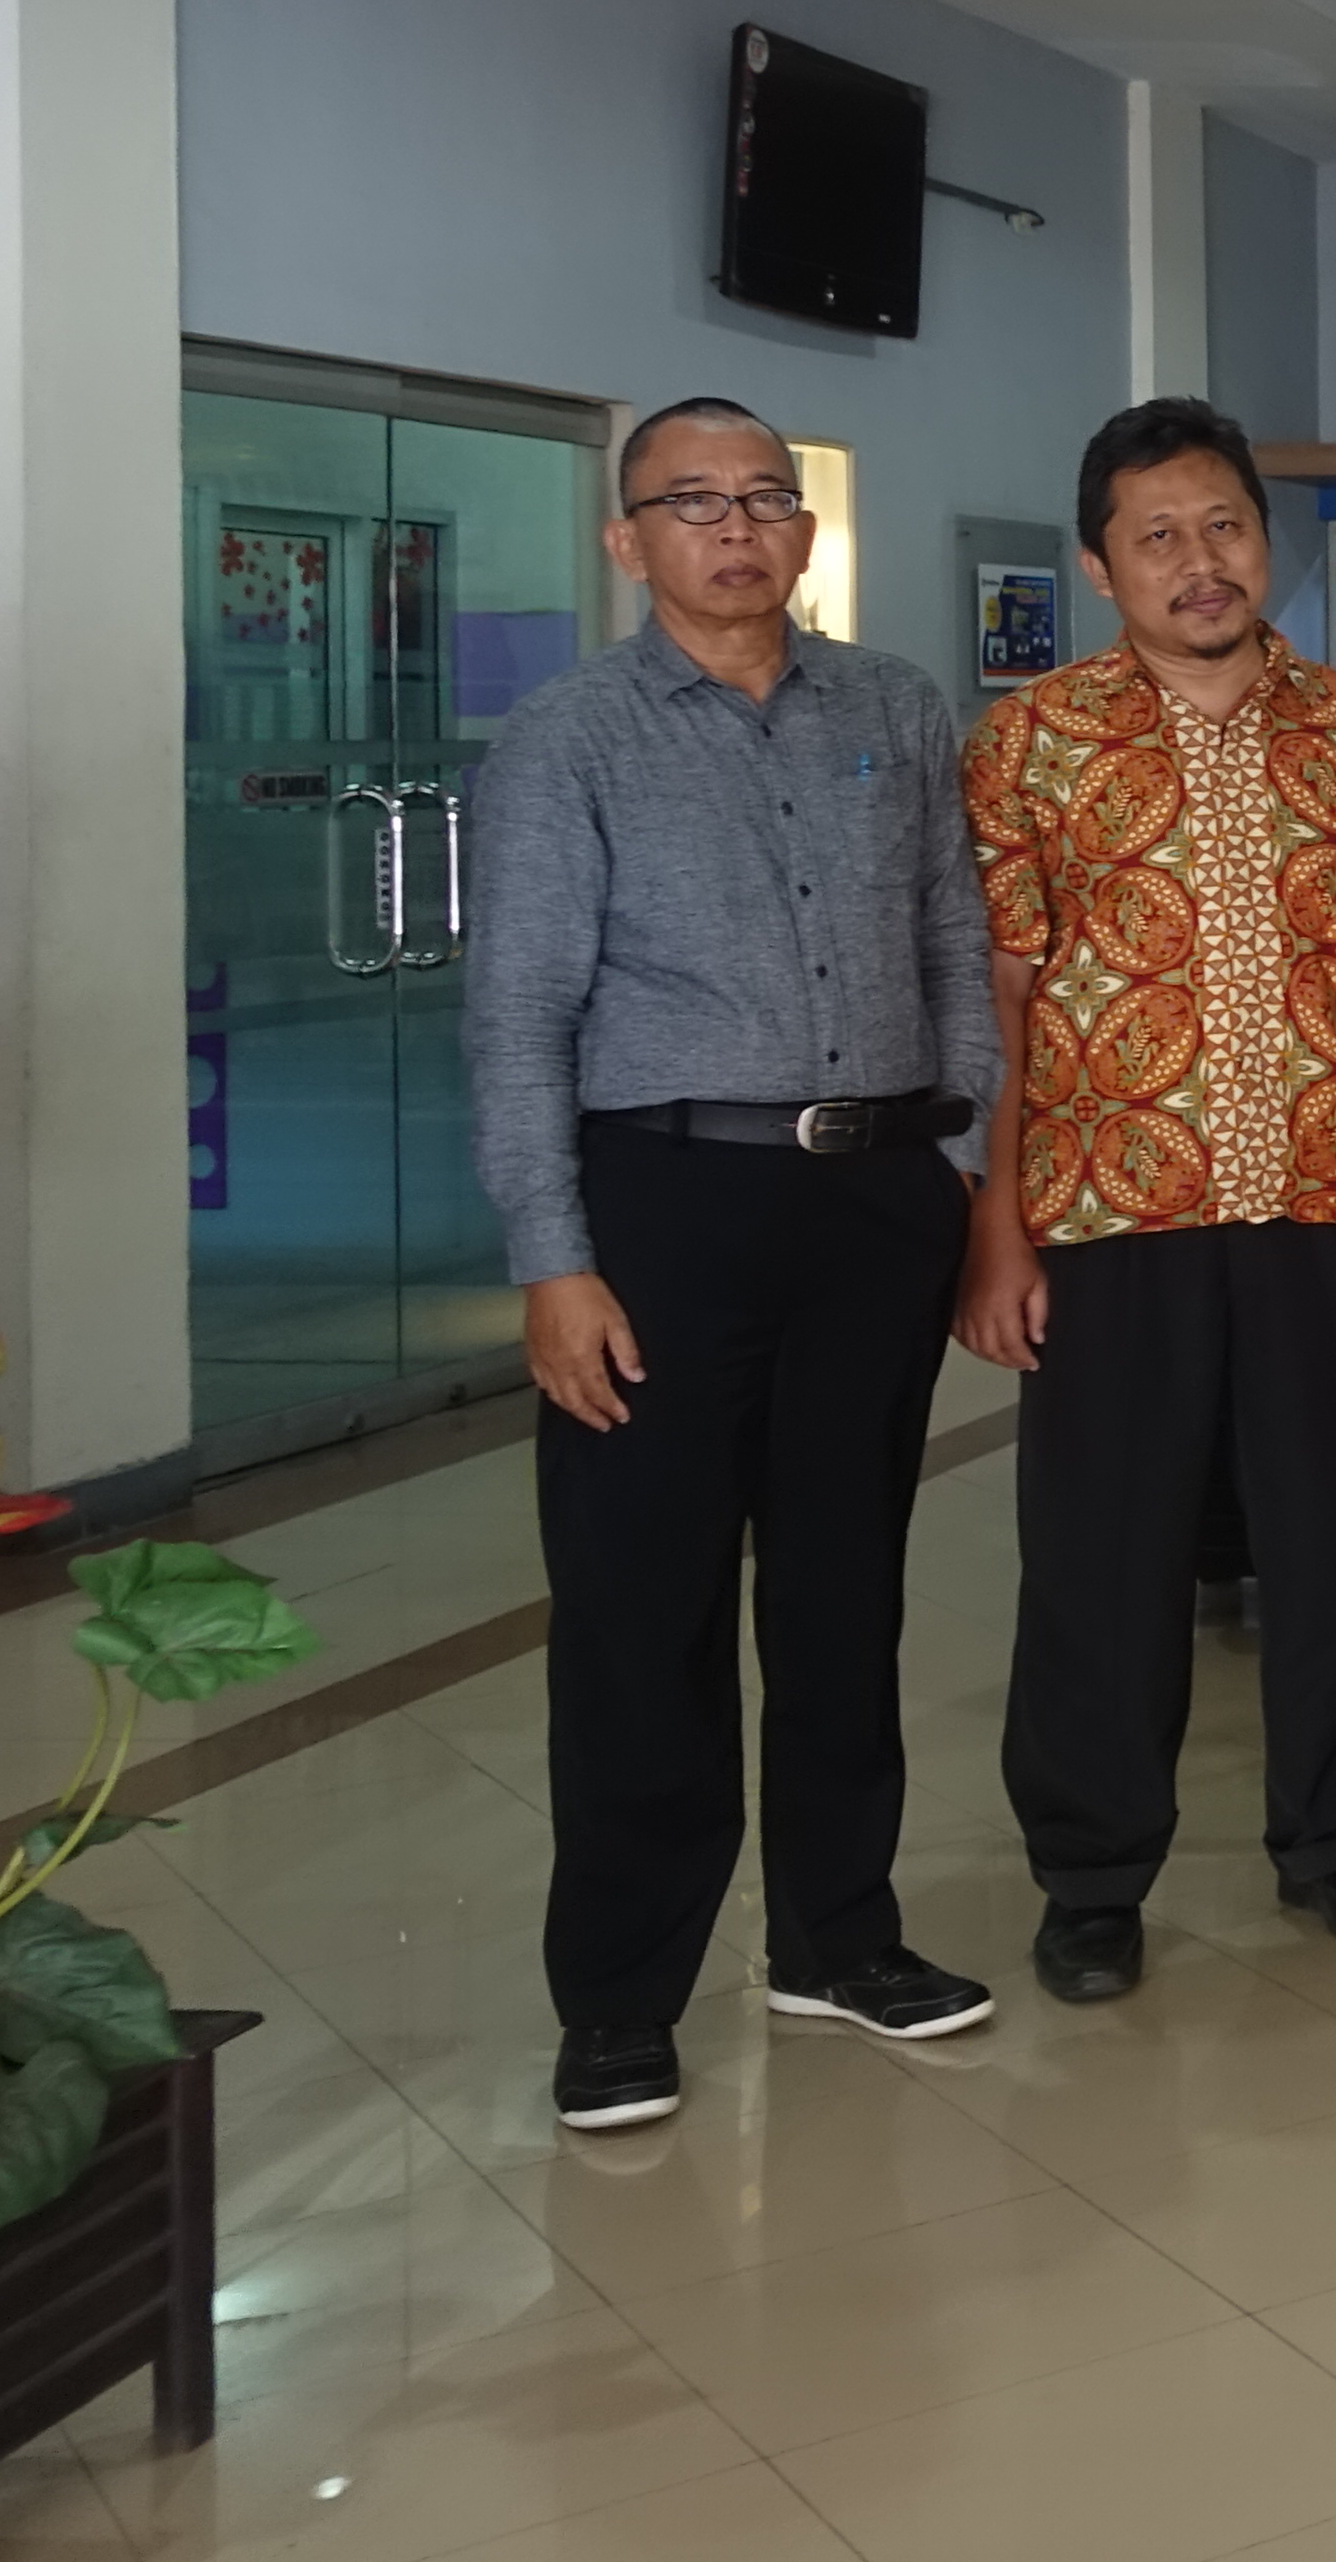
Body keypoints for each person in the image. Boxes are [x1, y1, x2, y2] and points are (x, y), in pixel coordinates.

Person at [460, 396, 999, 2135]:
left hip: (874, 1200)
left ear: (804, 529)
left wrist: (961, 1144)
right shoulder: (569, 739)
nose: (738, 528)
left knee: (845, 1592)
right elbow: (518, 1018)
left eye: (766, 497)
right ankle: (620, 1997)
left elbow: (955, 937)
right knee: (645, 1608)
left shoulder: (894, 708)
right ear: (628, 541)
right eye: (694, 503)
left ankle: (839, 1938)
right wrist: (554, 1260)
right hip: (663, 1204)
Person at [954, 397, 1336, 2007]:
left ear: (1264, 536)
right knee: (1101, 1560)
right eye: (1157, 535)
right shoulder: (1031, 744)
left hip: (1325, 1193)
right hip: (1113, 1214)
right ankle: (1094, 1874)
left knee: (1333, 1544)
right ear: (1103, 567)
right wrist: (995, 1224)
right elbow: (1002, 998)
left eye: (1223, 524)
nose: (1199, 560)